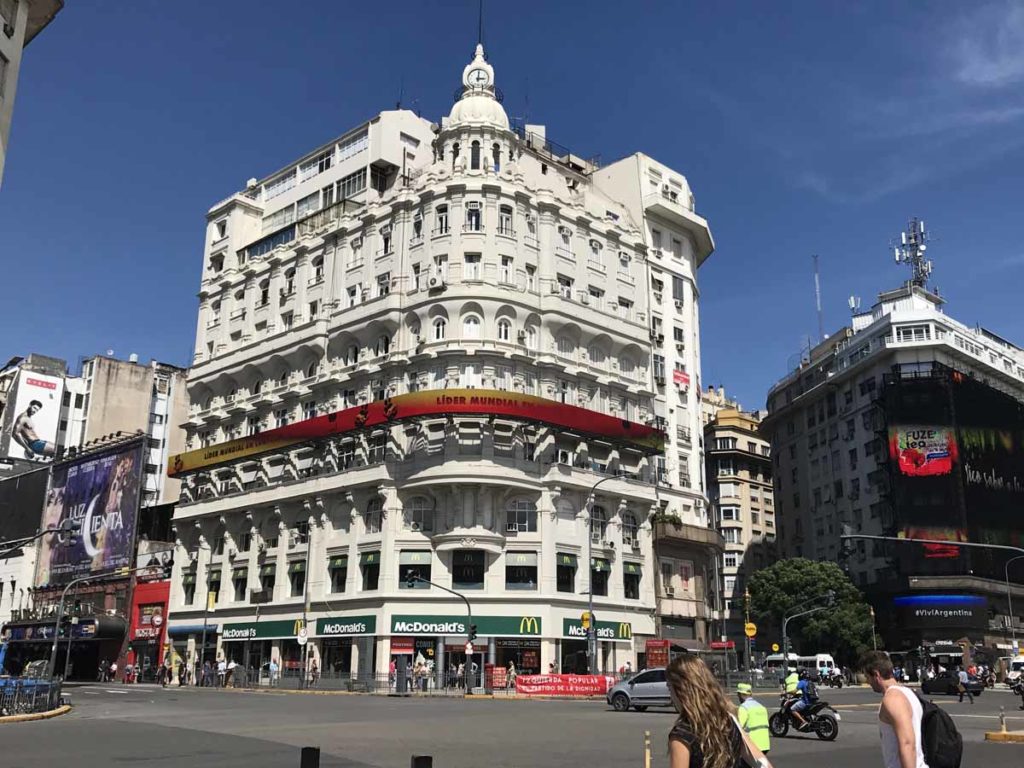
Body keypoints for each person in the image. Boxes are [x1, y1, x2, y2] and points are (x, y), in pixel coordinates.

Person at [666, 655, 771, 768]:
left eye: (670, 688)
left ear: (681, 691)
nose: (670, 696)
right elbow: (762, 763)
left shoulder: (683, 734)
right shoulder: (728, 720)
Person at [859, 650, 928, 768]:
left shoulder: (893, 699)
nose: (868, 682)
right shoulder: (908, 692)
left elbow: (907, 743)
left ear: (876, 675)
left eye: (867, 676)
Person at [736, 683, 771, 756]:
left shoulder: (744, 708)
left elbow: (738, 727)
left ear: (741, 695)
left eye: (738, 695)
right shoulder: (761, 707)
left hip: (752, 745)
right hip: (765, 744)